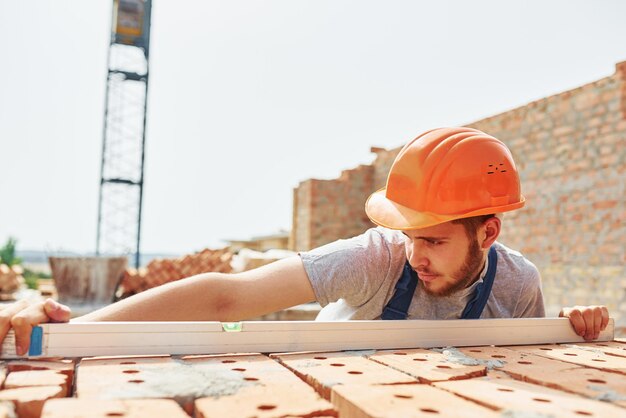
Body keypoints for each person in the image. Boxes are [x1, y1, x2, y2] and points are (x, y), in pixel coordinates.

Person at [0, 127, 609, 356]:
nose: (415, 254)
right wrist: (66, 332)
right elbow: (226, 298)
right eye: (408, 235)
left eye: (436, 241)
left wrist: (577, 327)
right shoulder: (377, 259)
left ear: (489, 232)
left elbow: (532, 361)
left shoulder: (520, 283)